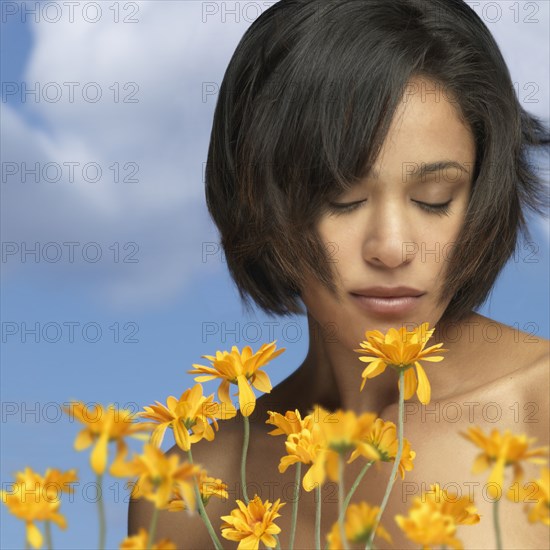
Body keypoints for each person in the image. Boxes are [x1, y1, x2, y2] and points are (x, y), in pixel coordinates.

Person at [128, 0, 550, 547]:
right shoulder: (190, 486)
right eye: (342, 199)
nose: (392, 247)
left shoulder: (538, 411)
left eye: (434, 198)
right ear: (256, 200)